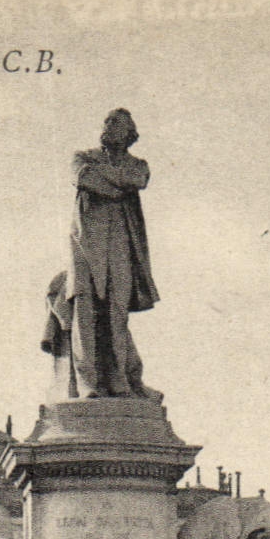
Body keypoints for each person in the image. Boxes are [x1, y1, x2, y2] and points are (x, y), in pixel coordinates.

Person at [66, 108, 161, 400]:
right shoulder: (83, 157)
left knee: (117, 314)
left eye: (115, 123)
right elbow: (84, 177)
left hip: (122, 243)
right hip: (86, 243)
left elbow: (139, 178)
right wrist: (119, 182)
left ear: (129, 133)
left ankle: (119, 378)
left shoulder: (138, 163)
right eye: (105, 121)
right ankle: (88, 383)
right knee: (84, 310)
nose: (106, 126)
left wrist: (108, 178)